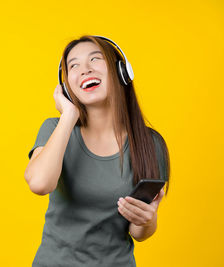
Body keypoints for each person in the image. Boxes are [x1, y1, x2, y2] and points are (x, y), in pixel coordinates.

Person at [24, 35, 171, 267]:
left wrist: (147, 219)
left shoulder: (150, 144)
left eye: (95, 59)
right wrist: (69, 116)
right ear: (66, 86)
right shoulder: (55, 129)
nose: (85, 69)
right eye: (73, 65)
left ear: (121, 72)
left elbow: (139, 232)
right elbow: (40, 184)